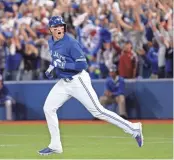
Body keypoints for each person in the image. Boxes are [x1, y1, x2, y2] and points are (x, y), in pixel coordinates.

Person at [38, 16, 144, 156]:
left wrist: (62, 65)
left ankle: (134, 129)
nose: (59, 29)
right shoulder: (51, 41)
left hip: (78, 80)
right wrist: (52, 68)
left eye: (61, 26)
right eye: (55, 27)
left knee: (98, 111)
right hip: (64, 82)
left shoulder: (71, 42)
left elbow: (82, 64)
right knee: (48, 108)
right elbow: (56, 59)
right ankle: (55, 145)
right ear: (50, 30)